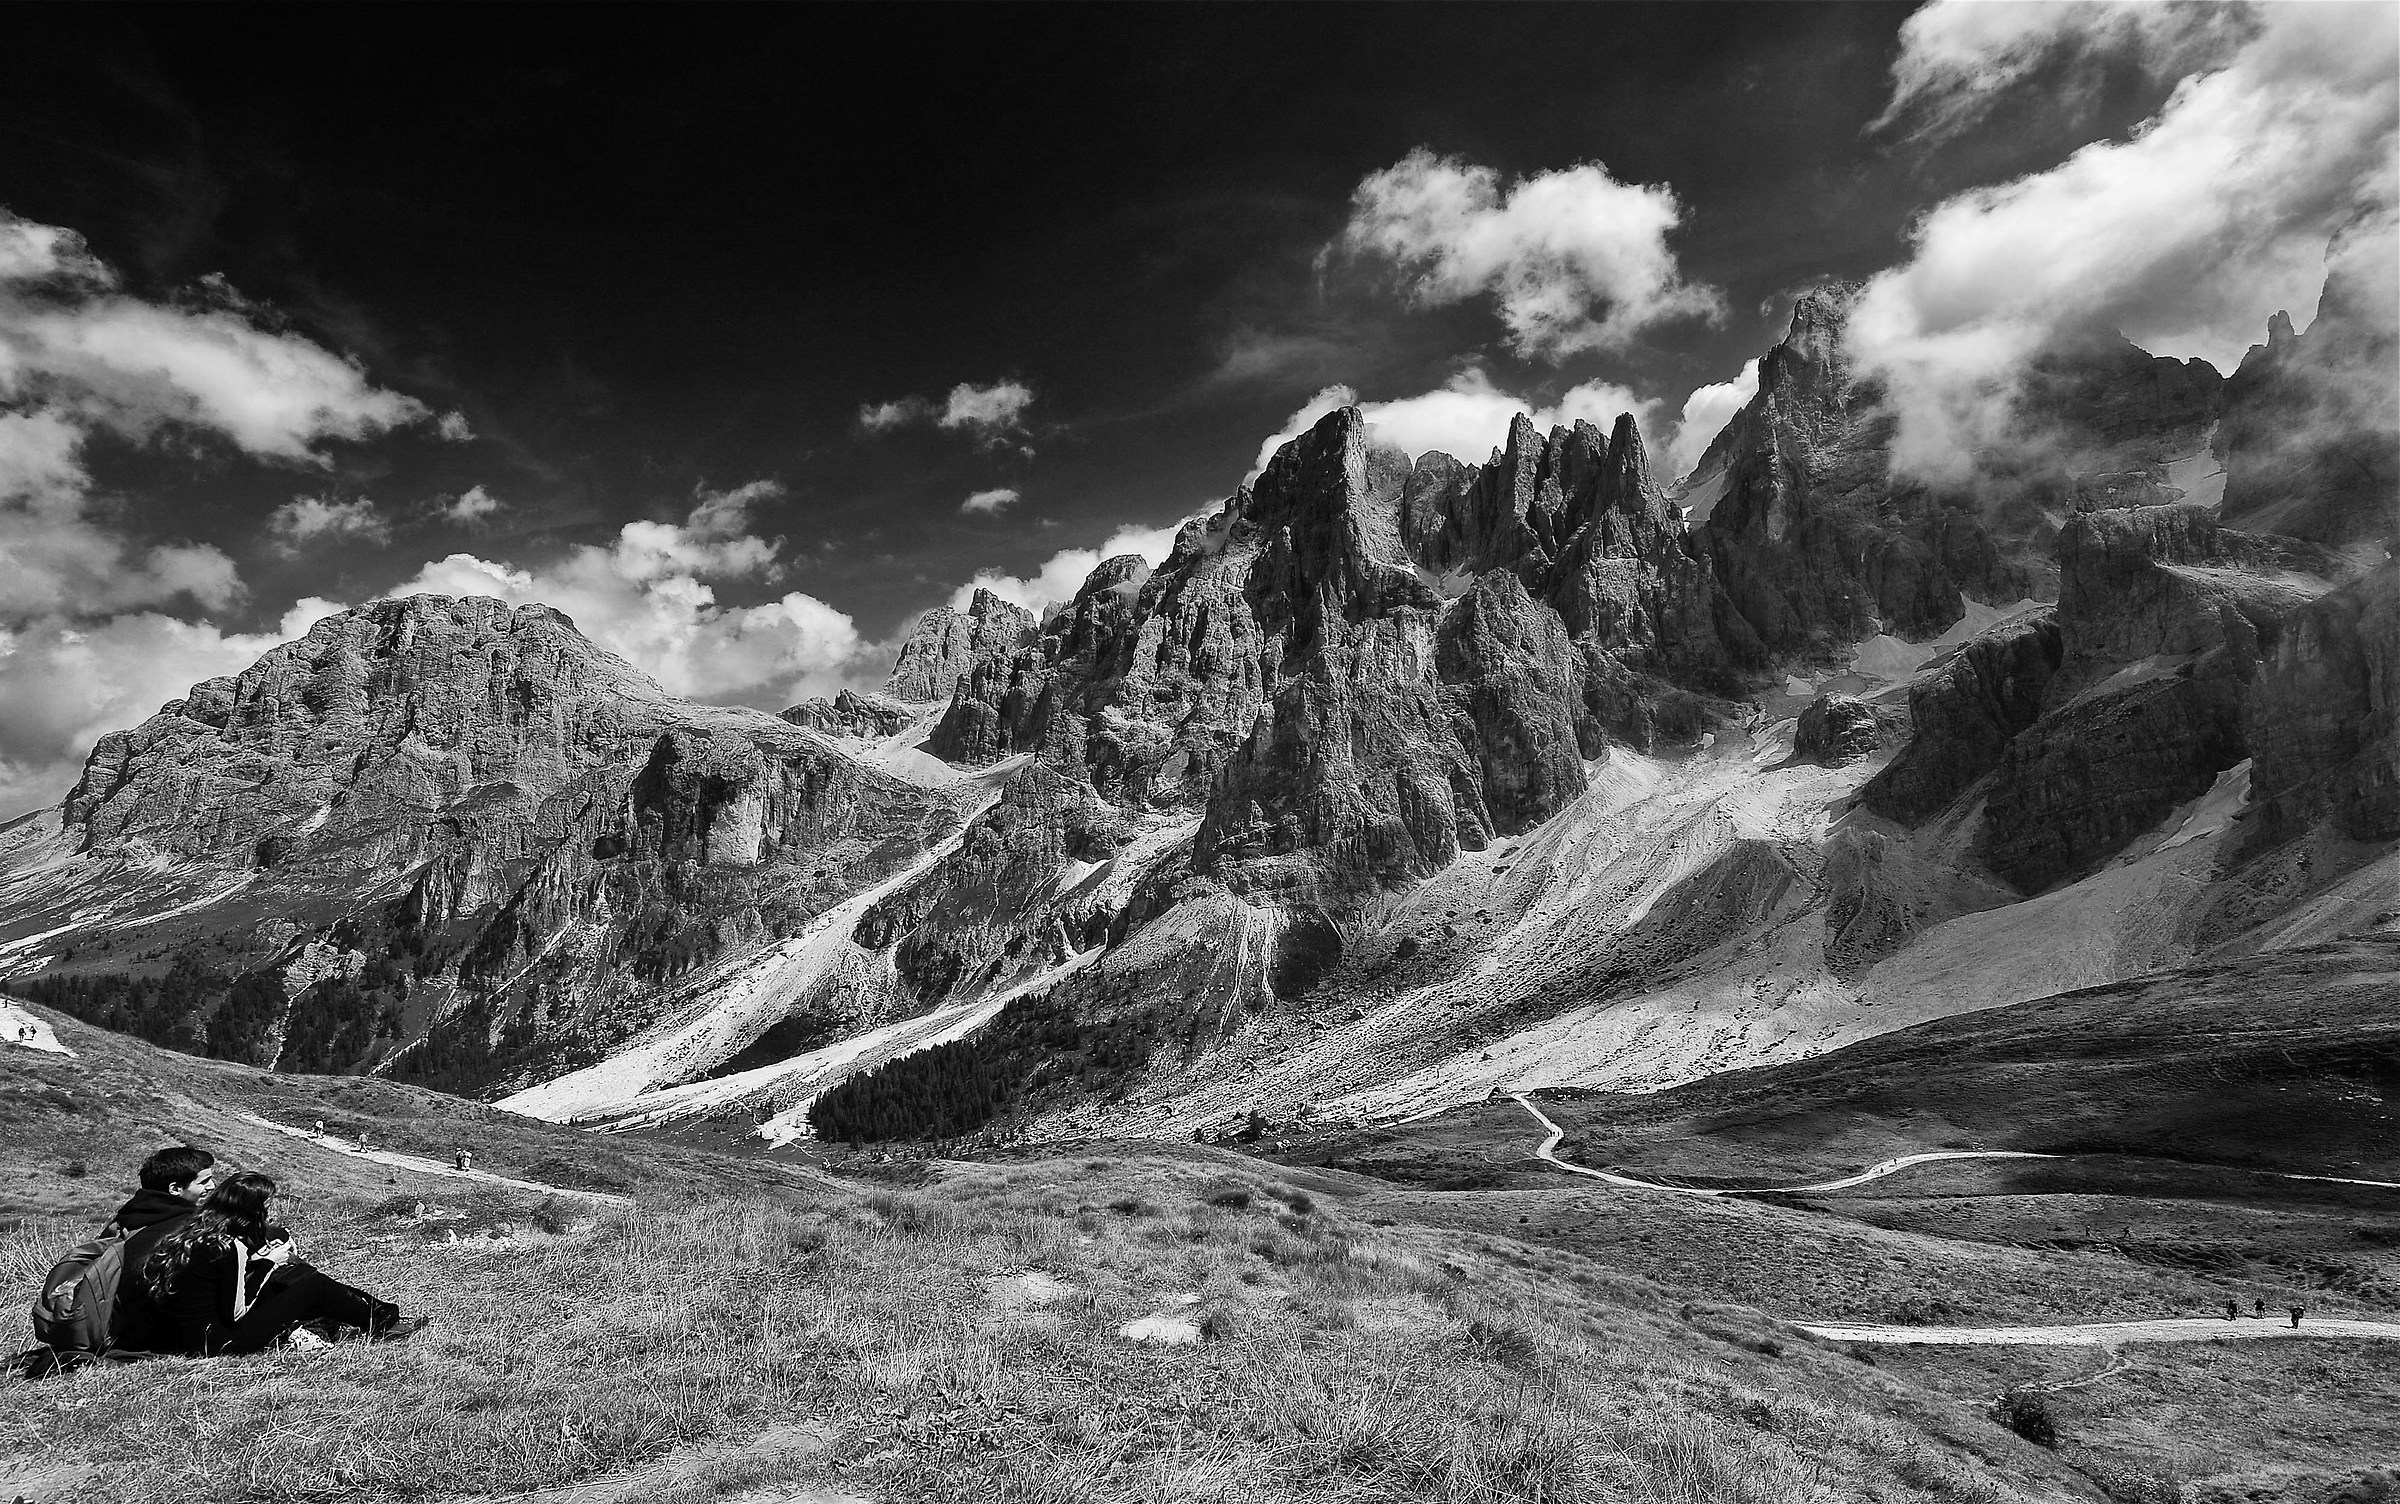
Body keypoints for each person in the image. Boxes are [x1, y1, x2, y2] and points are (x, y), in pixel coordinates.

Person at [128, 1171, 420, 1355]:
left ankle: (377, 1316)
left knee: (293, 1276)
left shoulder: (197, 1231)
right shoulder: (230, 1246)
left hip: (182, 1333)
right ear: (251, 1210)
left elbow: (212, 1284)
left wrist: (258, 1261)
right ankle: (380, 1321)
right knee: (312, 1285)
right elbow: (235, 1313)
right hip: (218, 1341)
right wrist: (268, 1262)